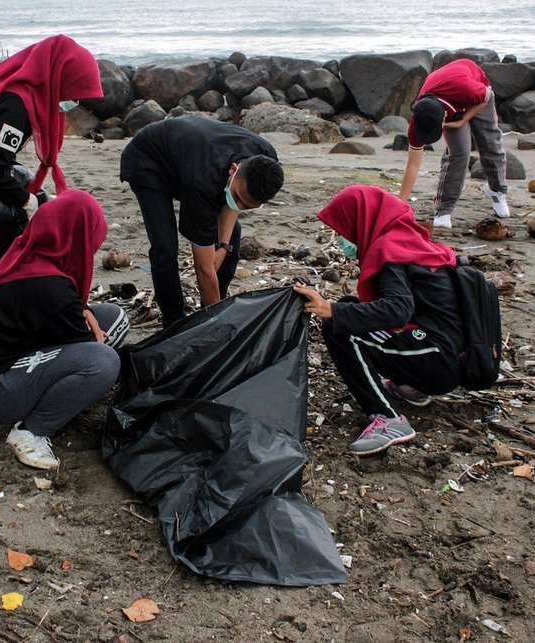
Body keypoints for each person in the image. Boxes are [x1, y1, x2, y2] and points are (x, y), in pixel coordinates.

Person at [0, 190, 128, 470]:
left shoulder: (35, 253)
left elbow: (69, 313)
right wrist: (92, 335)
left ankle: (60, 394)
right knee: (104, 361)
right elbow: (79, 335)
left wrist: (85, 312)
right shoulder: (46, 285)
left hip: (23, 350)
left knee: (114, 317)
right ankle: (31, 430)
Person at [293, 185, 463, 457]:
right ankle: (412, 387)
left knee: (340, 328)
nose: (342, 238)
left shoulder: (389, 248)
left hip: (437, 360)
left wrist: (331, 311)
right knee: (349, 307)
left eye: (343, 229)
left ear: (362, 219)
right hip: (444, 355)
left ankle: (389, 419)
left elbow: (398, 310)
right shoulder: (411, 238)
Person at [0, 35, 103, 283]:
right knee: (0, 247)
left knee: (5, 238)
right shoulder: (16, 104)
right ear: (59, 78)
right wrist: (26, 201)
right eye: (72, 92)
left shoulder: (31, 91)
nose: (74, 102)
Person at [119, 115, 285, 327]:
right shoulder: (203, 183)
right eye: (238, 198)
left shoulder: (266, 158)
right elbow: (204, 270)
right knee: (165, 247)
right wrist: (215, 327)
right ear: (233, 170)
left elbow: (232, 206)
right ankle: (174, 321)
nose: (240, 207)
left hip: (189, 155)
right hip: (149, 158)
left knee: (233, 236)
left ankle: (217, 302)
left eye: (248, 206)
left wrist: (223, 247)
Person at [398, 59, 509, 229]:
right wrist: (399, 206)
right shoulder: (420, 116)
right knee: (460, 153)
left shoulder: (468, 89)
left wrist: (463, 119)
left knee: (489, 144)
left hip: (478, 97)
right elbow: (413, 164)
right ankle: (444, 209)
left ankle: (497, 190)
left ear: (444, 116)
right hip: (447, 100)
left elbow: (486, 97)